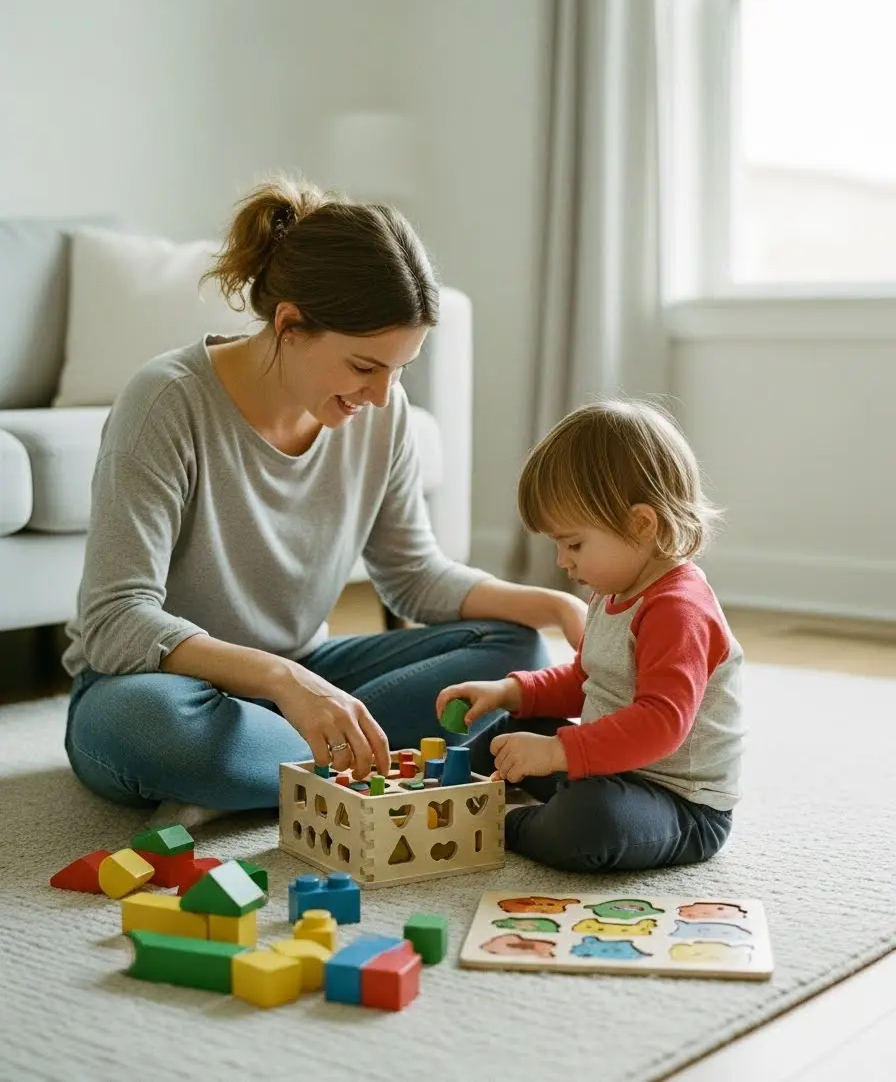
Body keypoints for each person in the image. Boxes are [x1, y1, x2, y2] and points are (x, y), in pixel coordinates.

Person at [63, 177, 586, 821]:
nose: (381, 394)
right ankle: (346, 765)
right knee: (152, 729)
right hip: (164, 690)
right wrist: (283, 682)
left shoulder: (382, 411)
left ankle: (275, 773)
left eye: (400, 369)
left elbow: (413, 576)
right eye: (364, 367)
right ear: (289, 325)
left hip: (307, 675)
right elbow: (116, 619)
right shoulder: (167, 402)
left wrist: (555, 605)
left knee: (515, 651)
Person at [437, 399, 744, 873]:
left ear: (642, 525)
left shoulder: (678, 610)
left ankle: (503, 823)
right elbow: (587, 678)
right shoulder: (616, 587)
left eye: (574, 544)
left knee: (587, 824)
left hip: (679, 804)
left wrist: (557, 752)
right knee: (514, 734)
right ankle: (453, 783)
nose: (563, 561)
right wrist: (509, 691)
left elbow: (661, 723)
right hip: (608, 768)